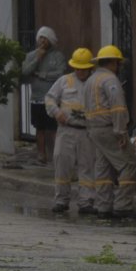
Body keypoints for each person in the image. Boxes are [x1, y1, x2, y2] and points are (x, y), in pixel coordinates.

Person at [85, 44, 136, 221]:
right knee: (129, 163)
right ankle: (123, 207)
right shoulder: (110, 80)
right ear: (112, 63)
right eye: (118, 63)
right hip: (110, 128)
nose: (119, 67)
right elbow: (117, 108)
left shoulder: (91, 80)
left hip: (94, 130)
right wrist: (120, 132)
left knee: (103, 167)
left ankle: (103, 207)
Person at [43, 47, 96, 214]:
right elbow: (49, 98)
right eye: (77, 68)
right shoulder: (64, 81)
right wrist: (56, 113)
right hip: (66, 130)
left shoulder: (95, 83)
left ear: (89, 68)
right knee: (62, 164)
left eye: (83, 69)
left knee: (87, 166)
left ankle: (86, 202)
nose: (80, 71)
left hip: (87, 132)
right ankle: (61, 200)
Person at [21, 26, 64, 165]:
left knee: (53, 128)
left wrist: (42, 75)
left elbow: (61, 73)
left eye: (45, 39)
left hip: (53, 99)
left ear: (51, 40)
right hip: (36, 98)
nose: (42, 41)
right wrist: (37, 59)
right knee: (39, 128)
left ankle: (56, 155)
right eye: (40, 38)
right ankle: (41, 155)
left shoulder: (57, 56)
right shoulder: (31, 55)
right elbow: (25, 72)